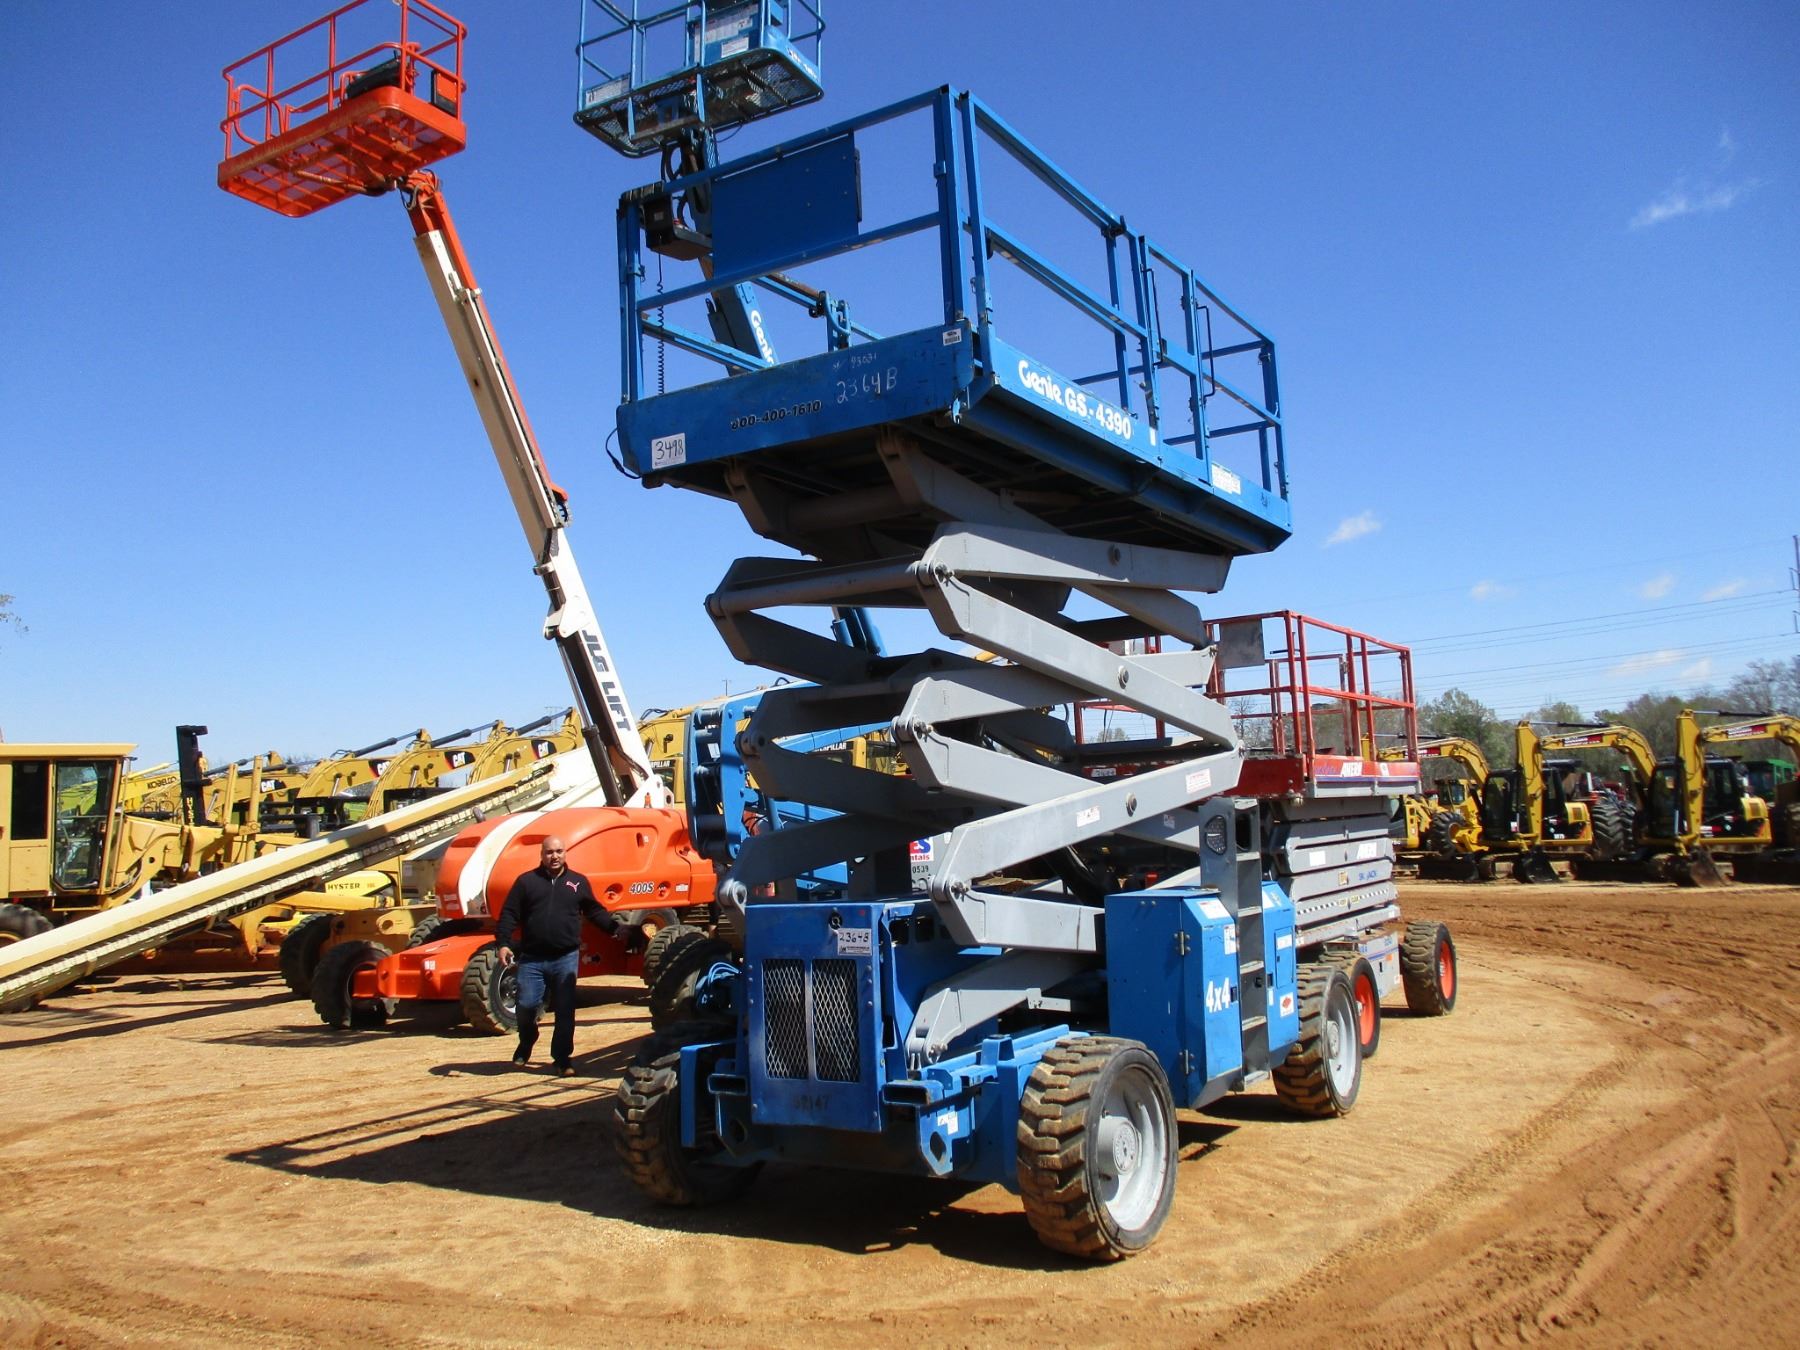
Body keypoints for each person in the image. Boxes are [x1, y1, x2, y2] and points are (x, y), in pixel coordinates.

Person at [492, 835, 636, 1076]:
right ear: (541, 855)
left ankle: (561, 1059)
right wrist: (503, 944)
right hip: (532, 958)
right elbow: (509, 914)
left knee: (565, 1009)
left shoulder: (577, 882)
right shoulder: (526, 882)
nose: (554, 856)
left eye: (558, 851)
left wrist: (615, 929)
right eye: (549, 852)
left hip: (565, 958)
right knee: (526, 1005)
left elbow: (594, 911)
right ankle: (527, 1038)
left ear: (565, 853)